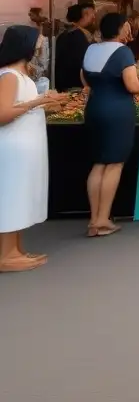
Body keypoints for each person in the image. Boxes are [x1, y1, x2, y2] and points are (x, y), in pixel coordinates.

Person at [83, 13, 139, 237]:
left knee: (99, 163)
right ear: (119, 29)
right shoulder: (123, 52)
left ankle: (93, 219)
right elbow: (132, 85)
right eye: (126, 27)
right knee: (114, 164)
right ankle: (102, 219)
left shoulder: (91, 49)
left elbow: (85, 79)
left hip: (95, 108)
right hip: (118, 110)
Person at [0, 26, 66, 272]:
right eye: (38, 43)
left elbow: (21, 106)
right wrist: (37, 101)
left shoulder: (22, 75)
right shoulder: (9, 75)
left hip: (24, 146)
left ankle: (15, 250)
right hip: (13, 147)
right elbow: (3, 113)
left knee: (20, 197)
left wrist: (46, 103)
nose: (41, 48)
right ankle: (6, 255)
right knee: (11, 197)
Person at [54, 2, 96, 92]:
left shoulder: (64, 34)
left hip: (61, 83)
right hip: (75, 86)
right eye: (92, 14)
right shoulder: (79, 35)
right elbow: (85, 61)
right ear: (84, 14)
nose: (93, 18)